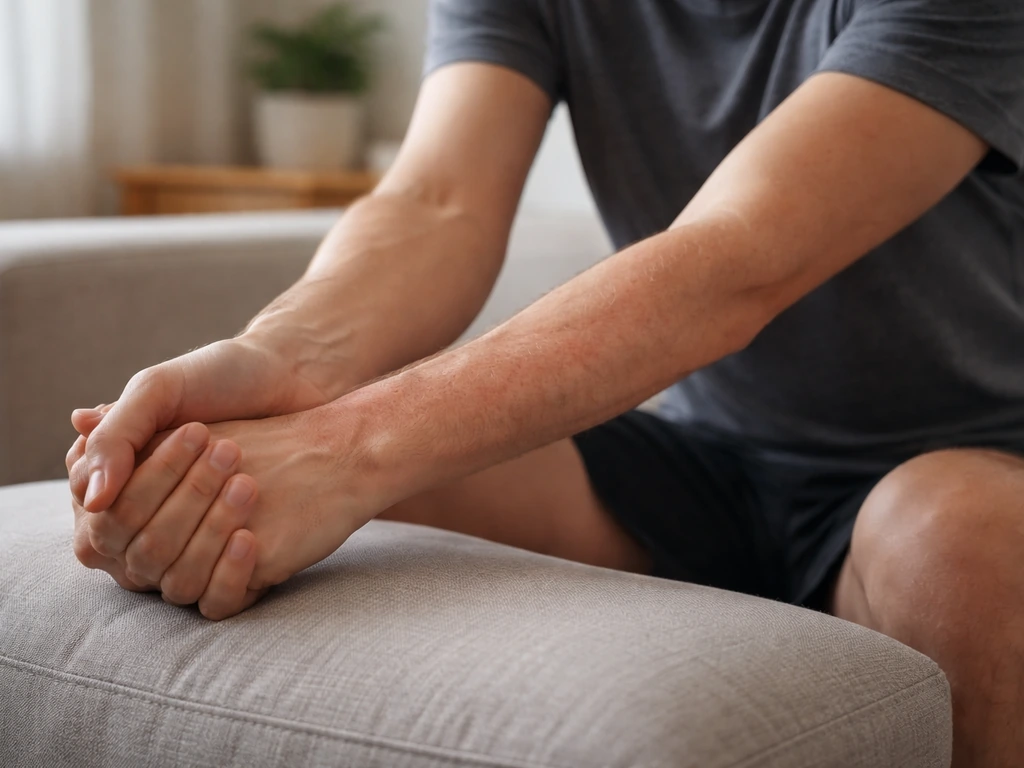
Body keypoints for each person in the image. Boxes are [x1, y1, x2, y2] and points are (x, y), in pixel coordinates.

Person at [65, 0, 1022, 764]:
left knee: (954, 537)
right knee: (249, 469)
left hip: (969, 461)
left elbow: (737, 258)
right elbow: (436, 201)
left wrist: (344, 450)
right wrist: (279, 361)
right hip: (706, 454)